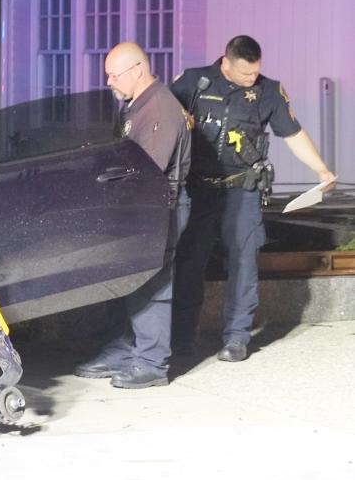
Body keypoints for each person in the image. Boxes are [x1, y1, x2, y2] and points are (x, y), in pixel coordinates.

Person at [170, 35, 336, 362]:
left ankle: (236, 337)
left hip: (241, 189)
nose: (252, 78)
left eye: (256, 72)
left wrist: (321, 170)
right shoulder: (194, 82)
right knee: (189, 262)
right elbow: (165, 122)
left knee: (244, 262)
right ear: (226, 62)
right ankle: (181, 340)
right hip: (197, 189)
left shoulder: (268, 91)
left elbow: (293, 132)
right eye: (246, 73)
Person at [74, 42, 192, 388]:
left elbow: (147, 170)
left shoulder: (158, 110)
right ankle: (123, 350)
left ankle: (152, 363)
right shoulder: (138, 106)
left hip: (157, 207)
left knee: (151, 283)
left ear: (137, 70)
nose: (109, 81)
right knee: (128, 281)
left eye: (114, 74)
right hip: (137, 207)